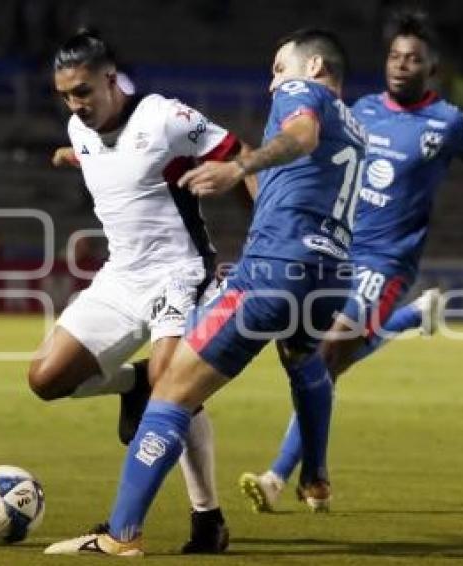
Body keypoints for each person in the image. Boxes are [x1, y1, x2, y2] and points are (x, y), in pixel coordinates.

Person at [44, 28, 366, 556]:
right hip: (332, 275)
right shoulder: (356, 128)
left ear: (312, 69)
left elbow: (300, 135)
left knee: (170, 391)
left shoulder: (300, 95)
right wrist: (74, 155)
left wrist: (240, 166)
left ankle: (121, 535)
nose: (271, 85)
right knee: (305, 361)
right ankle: (316, 476)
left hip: (271, 271)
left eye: (278, 69)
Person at [239, 9, 463, 514]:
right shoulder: (361, 110)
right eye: (395, 56)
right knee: (328, 360)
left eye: (413, 59)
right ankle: (413, 318)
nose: (401, 65)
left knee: (324, 356)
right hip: (339, 246)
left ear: (430, 69)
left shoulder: (449, 122)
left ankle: (282, 476)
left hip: (387, 260)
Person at [27, 30, 245, 553]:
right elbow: (113, 164)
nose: (74, 105)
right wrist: (70, 155)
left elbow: (241, 155)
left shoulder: (165, 117)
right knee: (45, 379)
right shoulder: (79, 129)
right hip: (120, 276)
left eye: (82, 92)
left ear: (109, 79)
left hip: (179, 275)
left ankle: (205, 520)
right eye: (64, 96)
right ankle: (134, 382)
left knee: (177, 397)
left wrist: (264, 236)